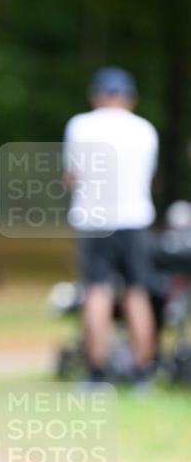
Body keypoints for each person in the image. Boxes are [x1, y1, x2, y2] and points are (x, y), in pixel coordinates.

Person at [63, 66, 158, 385]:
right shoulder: (145, 129)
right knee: (137, 291)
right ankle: (143, 370)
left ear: (96, 95)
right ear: (130, 98)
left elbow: (71, 176)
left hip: (93, 219)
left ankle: (97, 372)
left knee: (97, 292)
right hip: (135, 218)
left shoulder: (80, 126)